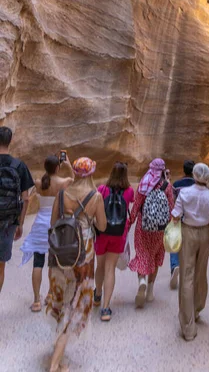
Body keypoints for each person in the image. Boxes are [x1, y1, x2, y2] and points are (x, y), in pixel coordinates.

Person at [47, 157, 107, 372]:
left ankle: (58, 347)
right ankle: (55, 364)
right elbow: (102, 225)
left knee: (62, 296)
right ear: (91, 173)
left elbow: (53, 223)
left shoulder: (63, 194)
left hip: (60, 252)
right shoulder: (96, 197)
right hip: (84, 255)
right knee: (75, 304)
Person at [172, 162, 209, 342]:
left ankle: (188, 326)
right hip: (205, 235)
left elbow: (175, 215)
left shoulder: (185, 193)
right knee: (200, 274)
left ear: (194, 176)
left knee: (187, 275)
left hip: (188, 233)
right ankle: (196, 309)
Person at [20, 154, 74, 312]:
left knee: (38, 263)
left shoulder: (38, 182)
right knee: (53, 262)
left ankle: (36, 300)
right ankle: (50, 294)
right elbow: (72, 177)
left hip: (39, 226)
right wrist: (68, 164)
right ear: (57, 167)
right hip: (55, 225)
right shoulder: (62, 183)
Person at [128, 158, 174, 307]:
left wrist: (130, 222)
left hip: (143, 226)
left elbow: (136, 206)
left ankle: (141, 281)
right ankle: (150, 292)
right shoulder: (167, 186)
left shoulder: (143, 184)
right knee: (155, 256)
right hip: (159, 229)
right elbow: (171, 208)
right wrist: (171, 227)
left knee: (142, 254)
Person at [94, 161, 134, 321]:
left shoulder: (102, 189)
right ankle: (105, 308)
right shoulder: (129, 191)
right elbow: (131, 202)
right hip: (118, 235)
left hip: (102, 232)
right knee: (110, 268)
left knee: (100, 266)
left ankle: (97, 294)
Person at [0, 126, 34, 294]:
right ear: (10, 141)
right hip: (9, 222)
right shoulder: (18, 165)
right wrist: (20, 224)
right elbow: (26, 198)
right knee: (1, 265)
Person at [169, 159, 195, 290]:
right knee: (189, 247)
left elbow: (173, 202)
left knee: (175, 244)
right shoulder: (198, 185)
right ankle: (188, 273)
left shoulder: (176, 184)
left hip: (179, 218)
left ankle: (175, 266)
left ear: (183, 170)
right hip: (193, 220)